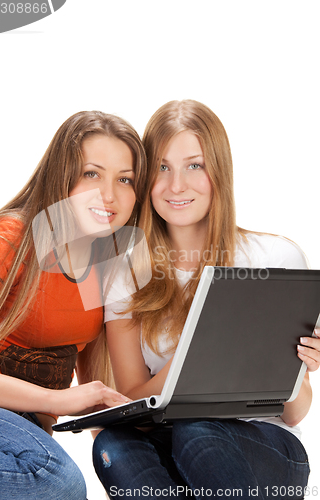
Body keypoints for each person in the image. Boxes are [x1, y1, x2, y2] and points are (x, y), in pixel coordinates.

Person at [93, 100, 320, 499]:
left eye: (194, 165)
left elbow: (296, 411)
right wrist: (199, 350)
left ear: (219, 172)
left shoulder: (275, 259)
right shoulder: (125, 273)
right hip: (167, 439)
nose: (176, 185)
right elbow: (134, 402)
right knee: (112, 446)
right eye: (162, 167)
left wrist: (297, 367)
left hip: (266, 450)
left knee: (196, 429)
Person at [0, 110, 147, 499]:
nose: (108, 195)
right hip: (0, 419)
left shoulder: (105, 259)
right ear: (63, 174)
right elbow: (67, 399)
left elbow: (94, 389)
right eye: (92, 174)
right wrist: (56, 400)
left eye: (124, 179)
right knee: (57, 480)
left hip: (23, 433)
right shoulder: (14, 237)